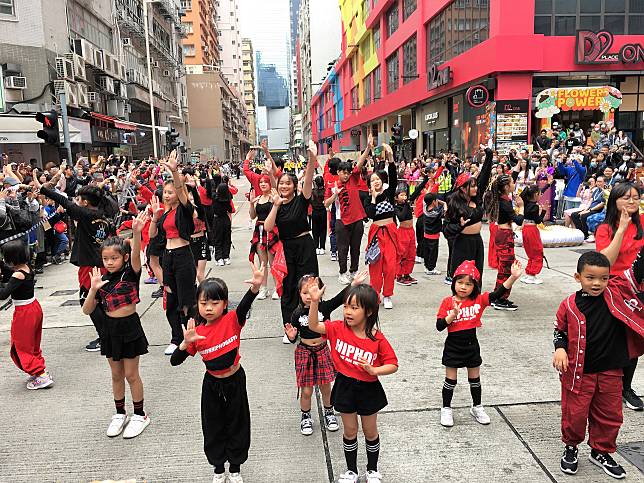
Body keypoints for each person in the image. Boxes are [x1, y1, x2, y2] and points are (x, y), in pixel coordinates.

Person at [170, 262, 265, 483]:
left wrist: (255, 287)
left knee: (238, 424)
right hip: (212, 385)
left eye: (215, 302)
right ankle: (218, 469)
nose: (209, 307)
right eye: (204, 303)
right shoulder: (197, 333)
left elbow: (245, 304)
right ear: (198, 304)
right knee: (213, 427)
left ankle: (235, 468)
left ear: (224, 304)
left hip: (235, 380)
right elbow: (175, 361)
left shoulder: (233, 320)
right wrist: (184, 344)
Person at [554, 251, 644, 478]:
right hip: (578, 374)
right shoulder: (569, 305)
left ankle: (600, 451)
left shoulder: (617, 294)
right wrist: (560, 349)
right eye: (590, 277)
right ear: (578, 277)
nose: (597, 283)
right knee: (574, 415)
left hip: (611, 372)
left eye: (604, 278)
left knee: (609, 416)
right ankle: (571, 447)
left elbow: (637, 270)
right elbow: (560, 330)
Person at [306, 282, 398, 483]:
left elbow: (393, 364)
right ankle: (351, 471)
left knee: (370, 430)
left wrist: (374, 370)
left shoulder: (377, 339)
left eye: (354, 308)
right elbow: (313, 325)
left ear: (369, 311)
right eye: (346, 306)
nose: (347, 312)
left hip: (368, 388)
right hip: (345, 386)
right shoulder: (337, 328)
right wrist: (314, 302)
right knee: (350, 431)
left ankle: (372, 470)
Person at [81, 212, 150, 439]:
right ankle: (120, 413)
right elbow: (87, 310)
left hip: (129, 327)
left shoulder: (131, 273)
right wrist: (93, 290)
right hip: (109, 330)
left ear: (124, 258)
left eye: (114, 258)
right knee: (116, 375)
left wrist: (138, 233)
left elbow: (138, 256)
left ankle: (139, 415)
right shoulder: (100, 280)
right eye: (106, 259)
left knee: (131, 374)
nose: (110, 263)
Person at [437, 259, 522, 427]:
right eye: (460, 282)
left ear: (474, 286)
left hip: (471, 347)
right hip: (453, 347)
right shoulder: (447, 302)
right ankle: (446, 409)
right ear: (453, 282)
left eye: (468, 284)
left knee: (474, 379)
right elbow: (439, 326)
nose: (463, 287)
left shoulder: (479, 300)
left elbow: (498, 293)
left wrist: (512, 277)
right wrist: (452, 315)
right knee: (450, 380)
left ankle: (477, 407)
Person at [36, 170, 114, 352]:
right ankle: (107, 335)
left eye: (79, 200)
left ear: (85, 202)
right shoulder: (103, 215)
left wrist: (43, 189)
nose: (76, 202)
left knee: (88, 301)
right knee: (100, 301)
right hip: (101, 264)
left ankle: (105, 337)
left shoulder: (86, 215)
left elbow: (64, 202)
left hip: (90, 266)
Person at [284, 270, 368, 436]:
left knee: (326, 387)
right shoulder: (296, 314)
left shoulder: (325, 307)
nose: (309, 295)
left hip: (322, 350)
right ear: (299, 294)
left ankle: (329, 412)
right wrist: (292, 337)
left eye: (314, 291)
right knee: (306, 390)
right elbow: (294, 335)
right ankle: (306, 416)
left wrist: (354, 284)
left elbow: (340, 298)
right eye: (305, 292)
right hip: (305, 352)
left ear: (321, 291)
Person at [595, 182, 644, 411]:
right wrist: (622, 229)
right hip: (615, 289)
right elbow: (606, 261)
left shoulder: (643, 223)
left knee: (635, 340)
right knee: (616, 341)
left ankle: (627, 387)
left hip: (639, 290)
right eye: (626, 197)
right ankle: (612, 387)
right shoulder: (605, 229)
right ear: (614, 200)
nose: (632, 201)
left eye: (635, 197)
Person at [264, 140, 319, 331]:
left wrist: (312, 157)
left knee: (309, 284)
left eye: (288, 183)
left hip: (305, 246)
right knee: (288, 288)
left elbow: (309, 178)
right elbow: (268, 228)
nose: (284, 186)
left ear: (295, 187)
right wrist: (276, 205)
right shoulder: (277, 204)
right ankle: (289, 327)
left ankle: (310, 323)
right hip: (286, 249)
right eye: (282, 183)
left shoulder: (301, 200)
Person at [148, 151, 196, 355]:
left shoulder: (184, 209)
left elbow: (180, 189)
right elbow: (152, 236)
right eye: (165, 192)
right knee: (171, 301)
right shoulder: (165, 212)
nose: (167, 195)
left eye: (171, 192)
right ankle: (176, 338)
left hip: (184, 256)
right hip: (168, 258)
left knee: (186, 301)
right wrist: (154, 217)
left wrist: (175, 171)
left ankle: (189, 336)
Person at [0, 239, 53, 390]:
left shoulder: (18, 275)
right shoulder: (26, 268)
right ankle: (39, 371)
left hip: (24, 312)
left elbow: (3, 294)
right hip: (33, 307)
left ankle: (40, 374)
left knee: (21, 345)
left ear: (12, 258)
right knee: (32, 343)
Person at [324, 137, 372, 285]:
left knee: (355, 248)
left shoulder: (354, 178)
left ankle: (354, 271)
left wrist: (368, 148)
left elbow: (359, 163)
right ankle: (342, 272)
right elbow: (326, 203)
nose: (346, 175)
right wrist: (335, 194)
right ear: (338, 172)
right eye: (343, 172)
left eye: (348, 172)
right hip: (341, 221)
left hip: (357, 220)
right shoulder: (332, 184)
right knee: (342, 249)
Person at [444, 147, 493, 284]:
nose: (476, 189)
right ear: (463, 188)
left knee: (476, 276)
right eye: (472, 187)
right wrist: (458, 226)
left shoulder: (476, 199)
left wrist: (488, 154)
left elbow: (485, 174)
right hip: (462, 243)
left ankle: (474, 302)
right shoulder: (454, 203)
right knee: (462, 276)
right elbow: (446, 229)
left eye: (476, 186)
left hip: (477, 242)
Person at [363, 144, 398, 309]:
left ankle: (388, 295)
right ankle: (375, 295)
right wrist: (373, 197)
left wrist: (390, 158)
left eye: (377, 179)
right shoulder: (369, 198)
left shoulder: (389, 193)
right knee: (375, 265)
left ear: (381, 181)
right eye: (372, 180)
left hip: (390, 232)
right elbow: (370, 214)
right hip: (376, 233)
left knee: (390, 266)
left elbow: (393, 175)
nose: (375, 182)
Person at [487, 174, 524, 311]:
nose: (514, 184)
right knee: (506, 268)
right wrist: (521, 206)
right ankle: (499, 298)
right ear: (506, 187)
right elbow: (518, 220)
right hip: (504, 235)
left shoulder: (503, 199)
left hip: (503, 234)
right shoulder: (504, 201)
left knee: (506, 267)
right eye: (512, 182)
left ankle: (499, 296)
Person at [248, 174, 281, 301]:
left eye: (265, 182)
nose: (262, 184)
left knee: (273, 263)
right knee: (262, 263)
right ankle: (263, 288)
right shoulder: (259, 198)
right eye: (260, 182)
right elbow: (252, 216)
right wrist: (251, 204)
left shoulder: (274, 198)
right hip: (259, 231)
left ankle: (277, 288)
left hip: (271, 231)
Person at [519, 186, 546, 284]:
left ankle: (529, 273)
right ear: (535, 195)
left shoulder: (525, 203)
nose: (540, 195)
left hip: (525, 229)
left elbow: (522, 195)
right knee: (537, 252)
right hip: (532, 229)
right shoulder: (534, 206)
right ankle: (532, 275)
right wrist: (543, 212)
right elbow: (538, 220)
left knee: (530, 252)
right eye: (539, 194)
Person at [572, 177, 606, 243]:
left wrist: (589, 210)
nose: (598, 183)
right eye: (597, 181)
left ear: (604, 183)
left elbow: (602, 204)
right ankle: (580, 233)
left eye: (600, 182)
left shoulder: (605, 191)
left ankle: (585, 234)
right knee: (574, 215)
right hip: (590, 208)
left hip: (598, 210)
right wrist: (586, 209)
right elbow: (591, 201)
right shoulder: (596, 190)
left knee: (584, 216)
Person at [212, 182, 233, 266]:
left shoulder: (215, 198)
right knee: (227, 239)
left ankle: (219, 257)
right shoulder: (227, 199)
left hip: (217, 220)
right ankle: (226, 257)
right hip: (225, 219)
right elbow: (230, 210)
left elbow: (212, 190)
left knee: (218, 239)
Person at [310, 175, 327, 255]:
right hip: (323, 212)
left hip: (315, 212)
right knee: (323, 229)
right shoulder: (325, 191)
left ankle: (316, 246)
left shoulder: (313, 192)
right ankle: (322, 247)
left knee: (315, 230)